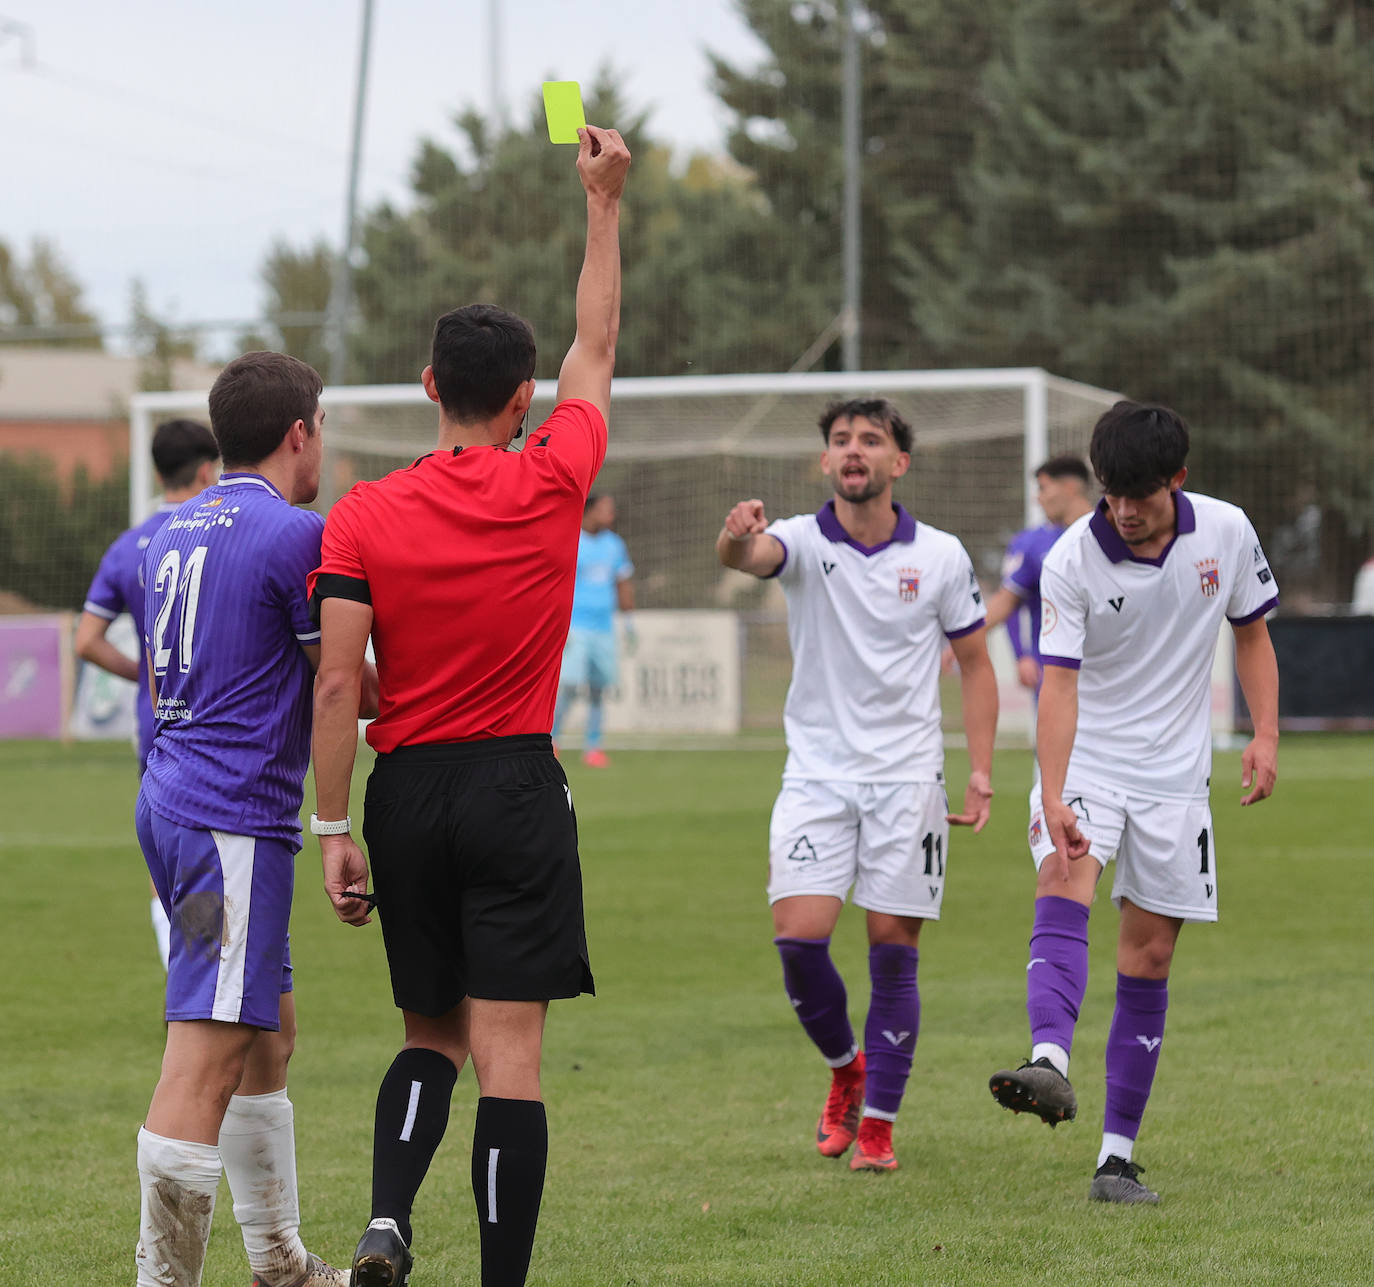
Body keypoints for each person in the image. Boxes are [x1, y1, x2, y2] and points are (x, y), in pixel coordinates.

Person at [307, 123, 630, 1287]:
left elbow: (339, 679)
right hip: (513, 783)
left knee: (427, 1038)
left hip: (408, 791)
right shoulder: (553, 473)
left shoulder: (361, 514)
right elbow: (599, 339)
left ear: (428, 385)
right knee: (513, 1061)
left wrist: (334, 830)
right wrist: (601, 202)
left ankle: (388, 1223)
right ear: (525, 395)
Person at [988, 400, 1280, 1204]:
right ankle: (1048, 1060)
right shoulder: (1072, 558)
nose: (1122, 509)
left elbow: (1252, 632)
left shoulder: (1226, 530)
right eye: (1111, 493)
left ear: (1177, 481)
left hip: (1177, 779)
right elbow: (1060, 683)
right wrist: (1053, 793)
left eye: (1139, 495)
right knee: (1062, 876)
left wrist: (1265, 735)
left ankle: (1115, 1160)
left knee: (1149, 957)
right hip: (1090, 757)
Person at [716, 397, 998, 1173]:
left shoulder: (940, 555)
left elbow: (975, 664)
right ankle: (847, 1068)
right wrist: (734, 534)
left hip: (909, 778)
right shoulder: (804, 542)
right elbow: (747, 557)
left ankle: (878, 1126)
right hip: (816, 777)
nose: (853, 450)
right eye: (841, 440)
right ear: (824, 461)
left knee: (892, 952)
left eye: (870, 440)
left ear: (898, 462)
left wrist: (978, 767)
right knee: (799, 942)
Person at [133, 351, 367, 1287]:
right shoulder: (295, 533)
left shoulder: (166, 531)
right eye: (322, 429)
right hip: (230, 820)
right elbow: (339, 678)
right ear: (299, 433)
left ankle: (279, 1262)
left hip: (175, 805)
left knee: (265, 1030)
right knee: (206, 1054)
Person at [76, 418, 220, 970]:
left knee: (172, 873)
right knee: (219, 878)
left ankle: (185, 967)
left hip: (156, 731)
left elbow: (86, 641)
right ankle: (197, 982)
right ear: (208, 470)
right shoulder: (215, 536)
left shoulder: (129, 546)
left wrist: (145, 672)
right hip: (219, 735)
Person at [981, 456, 1095, 692]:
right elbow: (1007, 600)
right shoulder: (1031, 543)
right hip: (1053, 672)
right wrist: (962, 640)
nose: (1038, 498)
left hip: (1107, 670)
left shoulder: (1113, 531)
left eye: (1043, 488)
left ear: (1069, 487)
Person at [552, 491, 635, 766]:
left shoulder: (615, 545)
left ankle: (594, 747)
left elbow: (623, 581)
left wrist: (629, 621)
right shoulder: (571, 539)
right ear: (590, 511)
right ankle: (553, 740)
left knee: (599, 689)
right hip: (576, 626)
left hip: (604, 629)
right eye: (605, 509)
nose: (611, 515)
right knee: (570, 686)